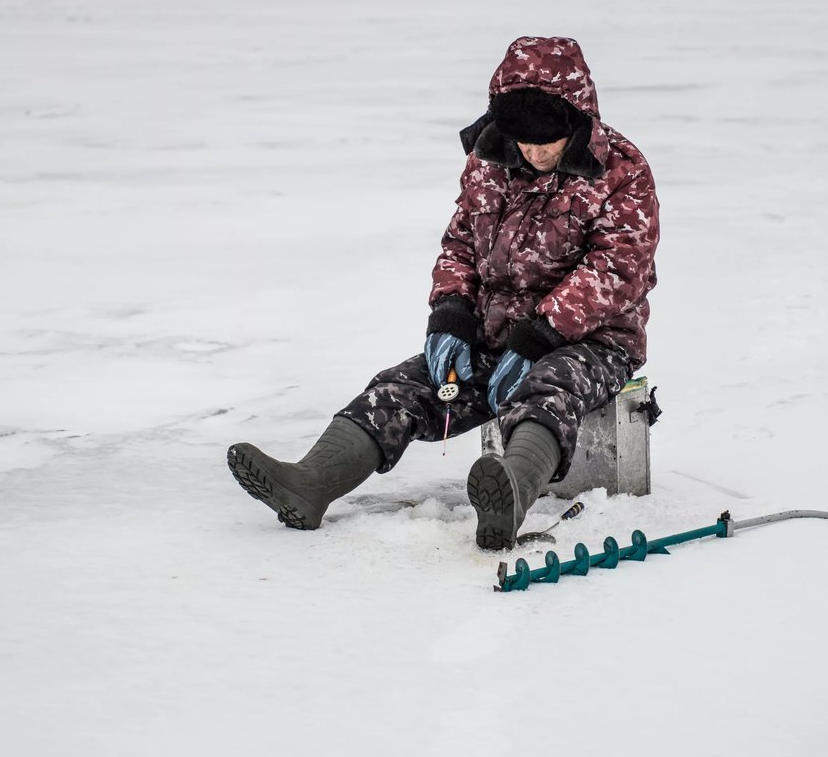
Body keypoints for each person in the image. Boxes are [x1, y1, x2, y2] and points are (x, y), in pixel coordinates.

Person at [227, 36, 660, 550]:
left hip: (592, 341)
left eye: (548, 138)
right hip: (495, 333)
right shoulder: (489, 162)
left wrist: (540, 334)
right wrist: (451, 313)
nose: (535, 151)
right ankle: (310, 483)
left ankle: (512, 497)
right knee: (401, 388)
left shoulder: (622, 172)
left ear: (576, 121)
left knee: (549, 389)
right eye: (524, 137)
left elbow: (617, 269)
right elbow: (460, 242)